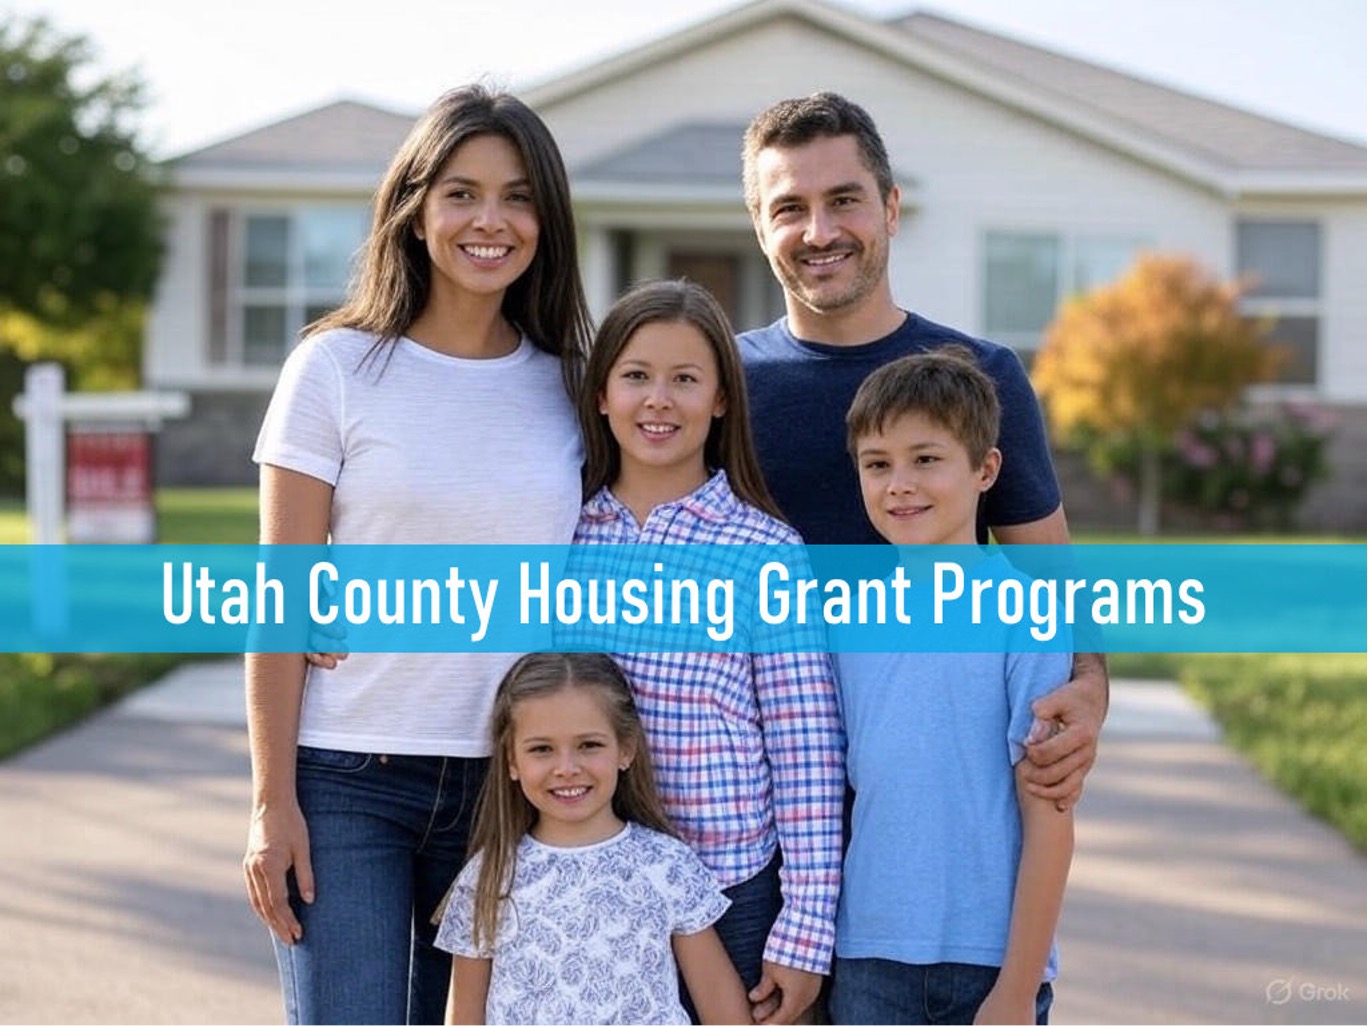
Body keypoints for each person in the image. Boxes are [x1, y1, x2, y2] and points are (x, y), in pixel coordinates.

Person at [243, 84, 592, 1025]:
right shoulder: (335, 368)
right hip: (347, 776)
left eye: (518, 196)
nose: (491, 220)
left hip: (509, 787)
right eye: (462, 192)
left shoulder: (573, 383)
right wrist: (271, 802)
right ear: (415, 208)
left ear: (546, 220)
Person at [737, 91, 1105, 806]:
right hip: (755, 802)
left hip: (939, 794)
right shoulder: (720, 386)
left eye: (845, 200)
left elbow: (1051, 580)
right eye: (789, 208)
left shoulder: (981, 376)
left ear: (891, 209)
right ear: (759, 226)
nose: (819, 231)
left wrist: (1089, 687)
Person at [574, 279, 845, 1024]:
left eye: (685, 379)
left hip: (732, 894)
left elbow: (806, 748)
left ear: (722, 399)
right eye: (636, 376)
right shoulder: (563, 536)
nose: (658, 399)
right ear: (601, 395)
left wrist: (806, 926)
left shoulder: (764, 552)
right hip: (593, 888)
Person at [830, 348, 1074, 1024]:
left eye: (926, 459)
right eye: (877, 465)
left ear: (985, 469)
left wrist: (1018, 990)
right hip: (867, 957)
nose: (899, 483)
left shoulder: (1026, 615)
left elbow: (1050, 817)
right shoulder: (846, 621)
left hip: (991, 961)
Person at [435, 652, 752, 1025]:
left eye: (589, 745)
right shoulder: (488, 877)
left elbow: (723, 1011)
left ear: (626, 748)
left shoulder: (667, 865)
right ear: (512, 761)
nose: (567, 768)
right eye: (542, 749)